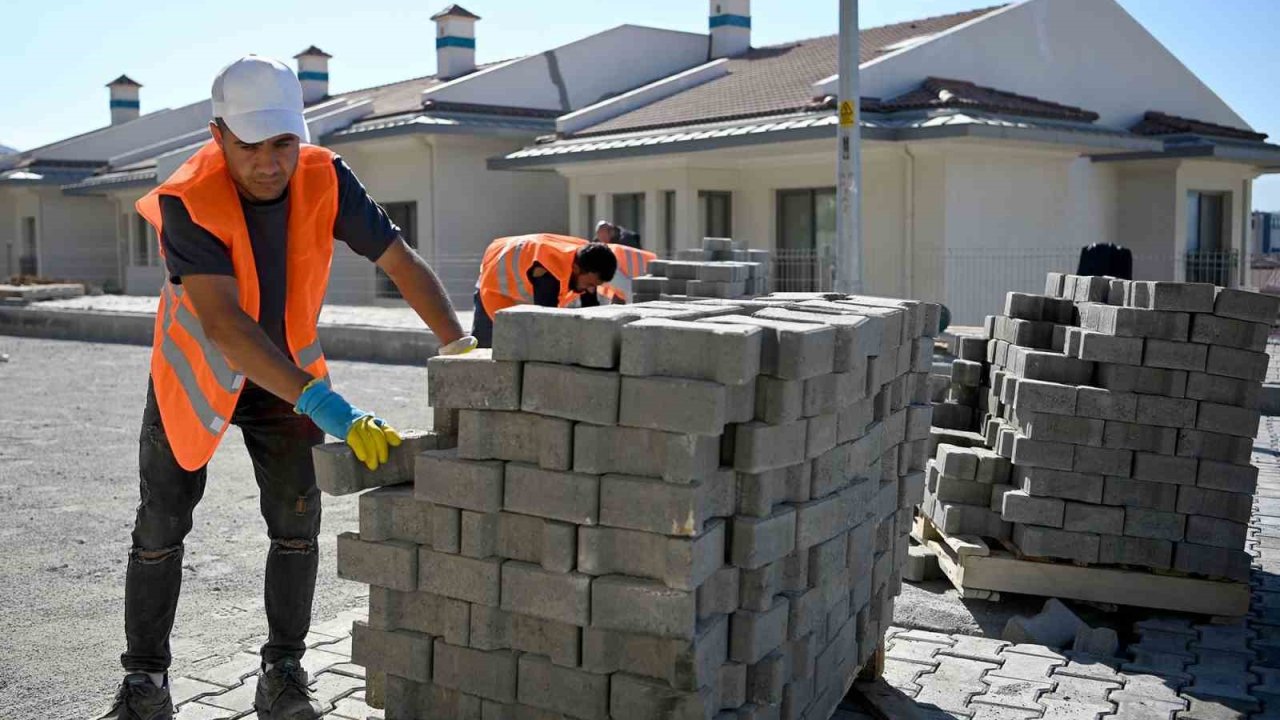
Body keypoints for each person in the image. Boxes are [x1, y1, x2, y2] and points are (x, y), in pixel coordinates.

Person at [98, 55, 474, 720]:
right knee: (161, 525)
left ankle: (283, 673)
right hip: (199, 372)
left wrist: (460, 344)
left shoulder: (326, 176)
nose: (271, 164)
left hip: (286, 373)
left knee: (297, 525)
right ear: (218, 136)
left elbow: (398, 260)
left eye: (283, 144)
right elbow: (225, 326)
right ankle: (145, 684)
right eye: (251, 148)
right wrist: (330, 405)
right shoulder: (191, 197)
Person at [471, 234, 618, 348]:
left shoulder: (588, 257)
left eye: (596, 285)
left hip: (521, 279)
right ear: (576, 269)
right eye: (589, 284)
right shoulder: (548, 271)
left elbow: (590, 309)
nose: (590, 289)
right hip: (494, 287)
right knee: (486, 349)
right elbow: (546, 323)